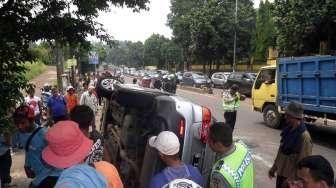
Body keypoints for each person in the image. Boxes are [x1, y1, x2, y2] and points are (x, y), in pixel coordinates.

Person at [13, 105, 61, 187]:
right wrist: (27, 165)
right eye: (17, 123)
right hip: (38, 174)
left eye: (23, 123)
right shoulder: (19, 134)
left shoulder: (44, 134)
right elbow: (29, 150)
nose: (20, 126)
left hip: (52, 174)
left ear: (31, 120)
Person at [268, 101, 313, 188]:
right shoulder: (288, 129)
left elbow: (303, 163)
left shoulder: (304, 137)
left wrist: (291, 179)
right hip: (281, 172)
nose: (285, 117)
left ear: (294, 117)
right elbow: (281, 151)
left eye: (288, 115)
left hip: (291, 179)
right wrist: (274, 168)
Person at [208, 122, 254, 188]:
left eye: (209, 140)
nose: (208, 143)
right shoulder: (242, 147)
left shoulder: (220, 174)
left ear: (218, 144)